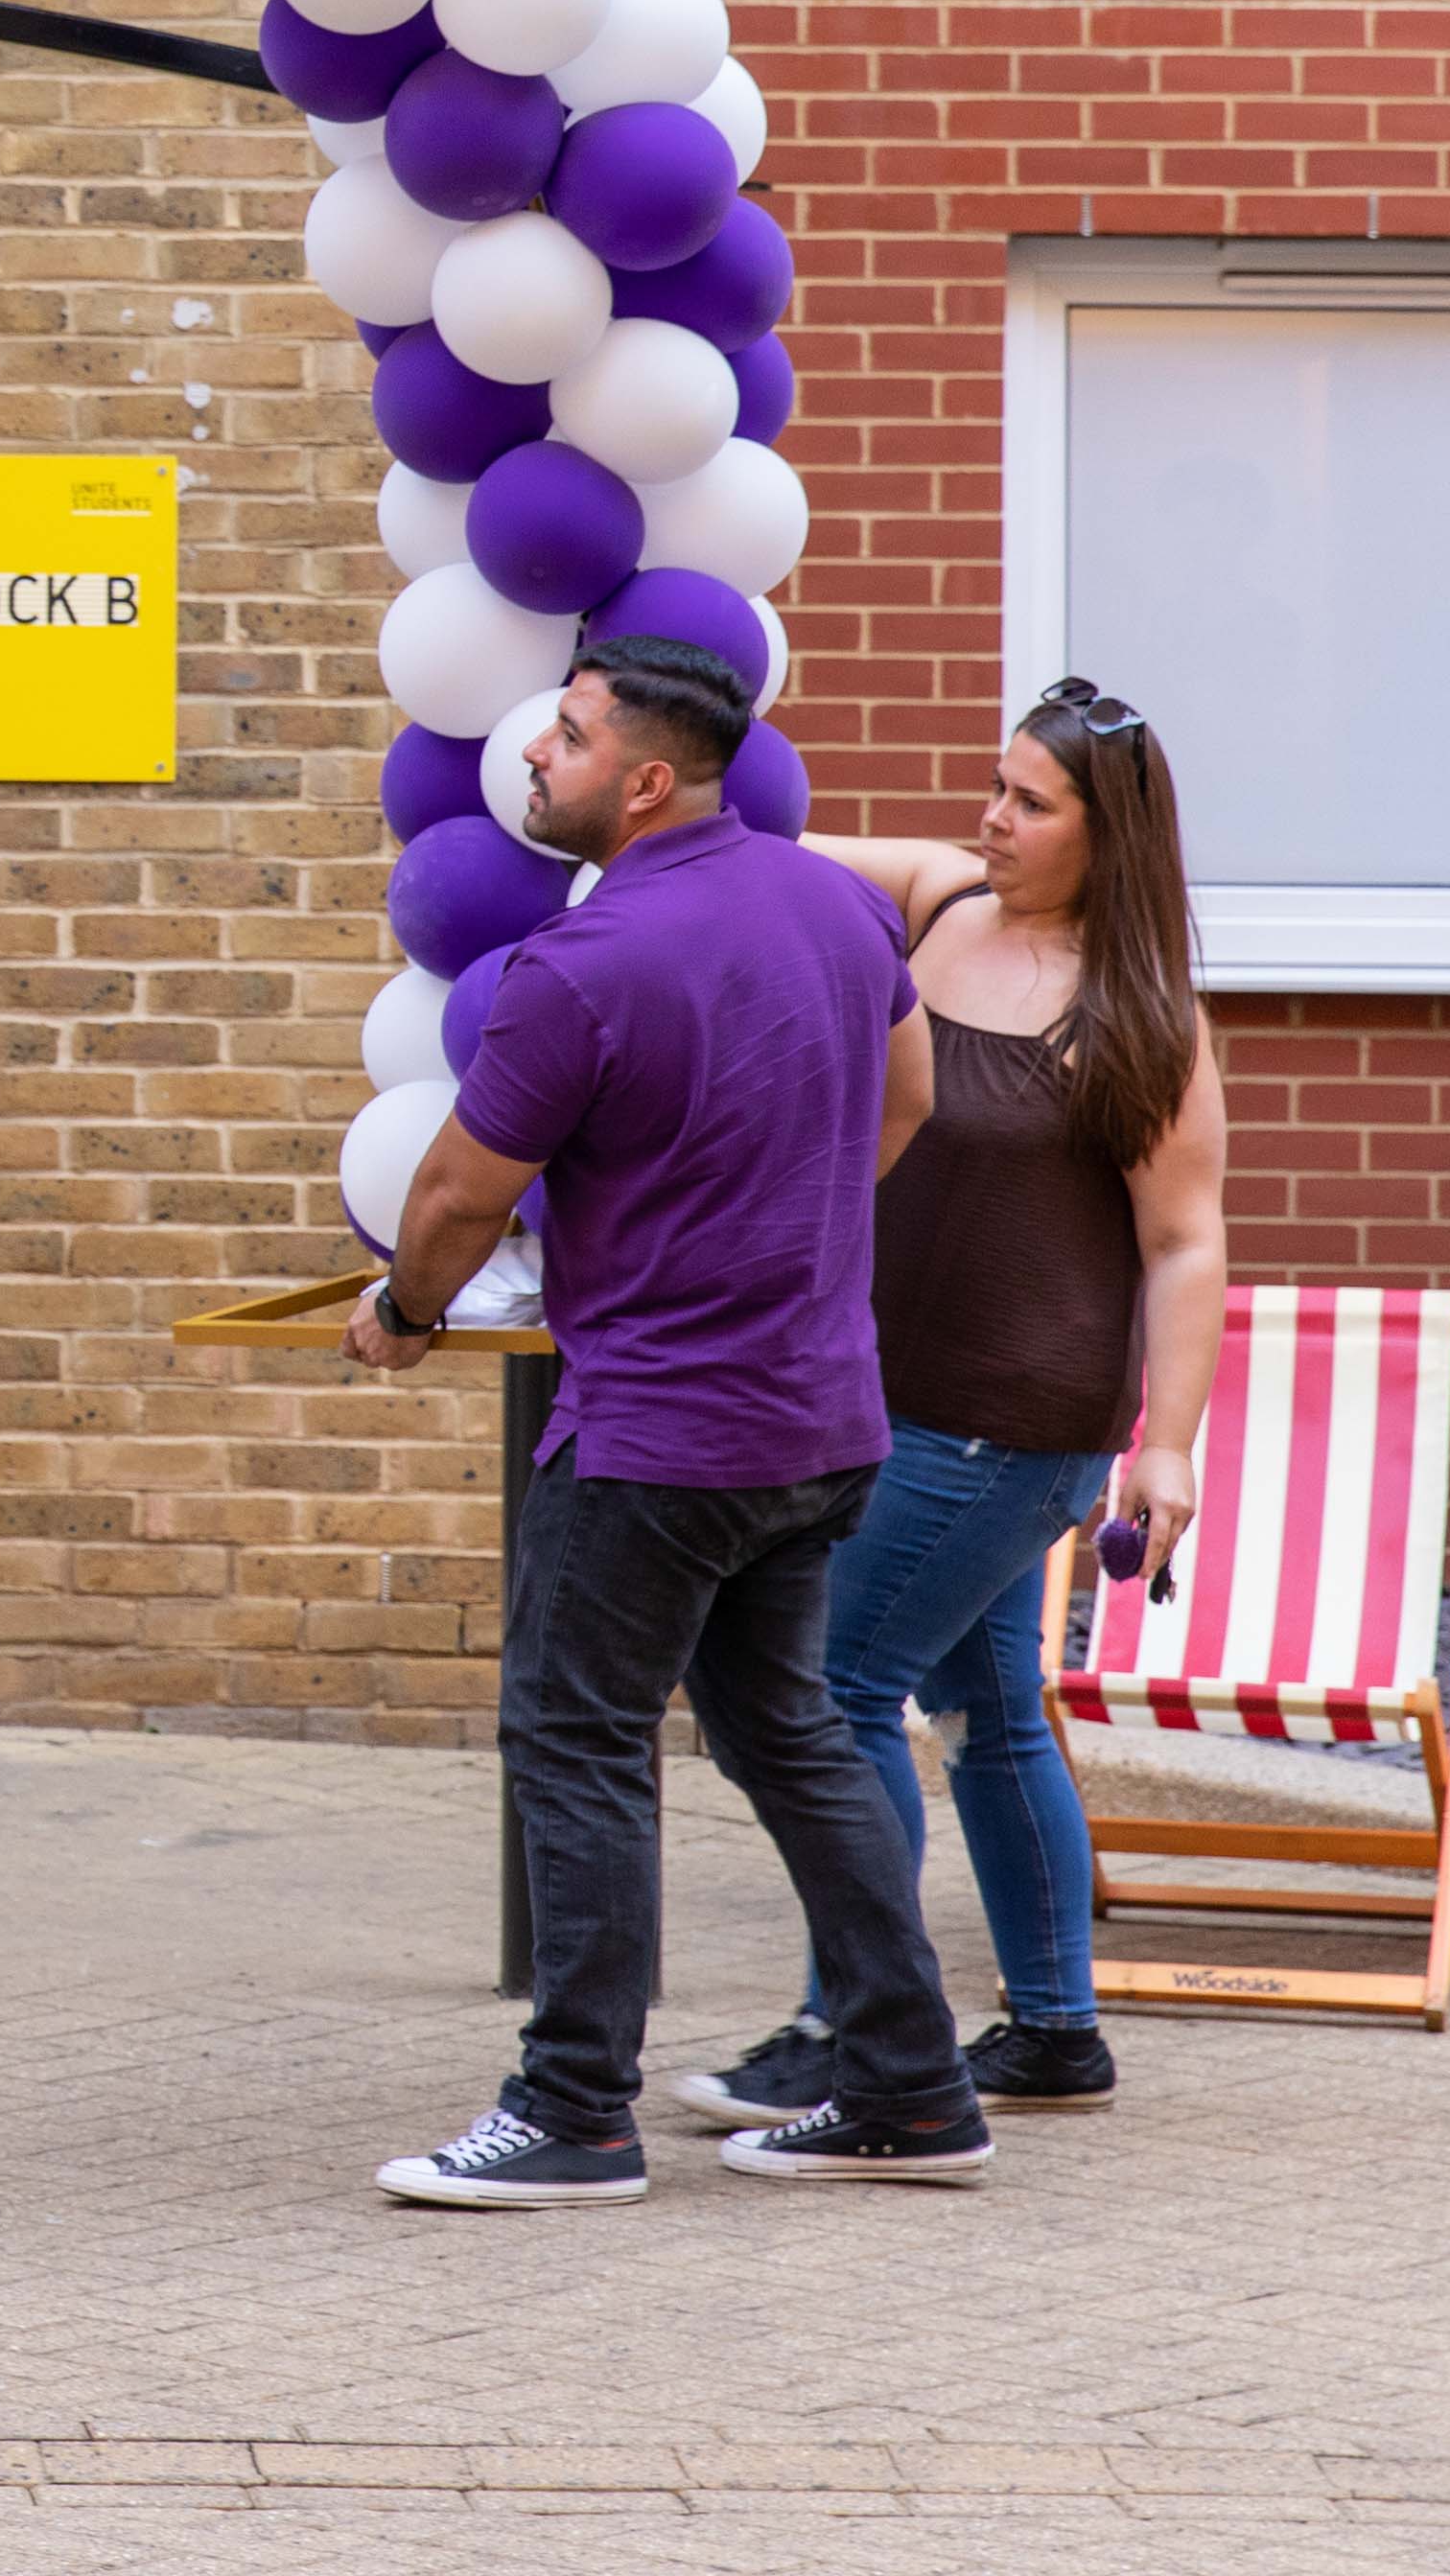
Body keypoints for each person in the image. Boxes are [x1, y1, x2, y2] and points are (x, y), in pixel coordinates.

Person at [350, 633, 984, 2208]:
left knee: (576, 1741)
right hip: (820, 1415)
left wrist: (407, 1314)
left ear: (642, 777)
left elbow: (453, 1191)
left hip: (654, 1437)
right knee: (791, 1736)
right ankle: (911, 2087)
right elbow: (906, 1103)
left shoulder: (584, 963)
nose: (530, 761)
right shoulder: (838, 906)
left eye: (562, 740)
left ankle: (573, 2110)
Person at [671, 673, 1228, 2130]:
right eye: (995, 787)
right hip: (891, 1393)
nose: (991, 819)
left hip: (1010, 1421)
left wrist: (1166, 1445)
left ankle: (853, 2029)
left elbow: (1184, 1243)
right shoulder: (934, 900)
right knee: (989, 1705)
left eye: (1030, 805)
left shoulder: (1138, 1013)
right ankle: (1051, 2031)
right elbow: (752, 841)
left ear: (1109, 838)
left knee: (833, 1691)